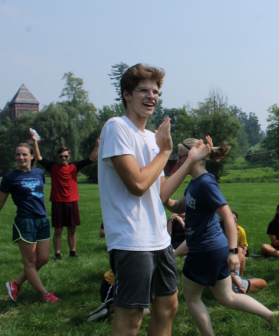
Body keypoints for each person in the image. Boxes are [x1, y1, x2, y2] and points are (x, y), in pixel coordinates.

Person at [160, 136, 279, 336]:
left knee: (192, 297)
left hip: (206, 250)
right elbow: (179, 205)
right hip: (211, 249)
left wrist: (233, 251)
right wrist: (163, 197)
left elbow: (228, 217)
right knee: (227, 296)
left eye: (180, 155)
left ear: (191, 156)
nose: (178, 160)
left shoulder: (205, 183)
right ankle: (272, 317)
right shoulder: (194, 182)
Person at [97, 63, 177, 336]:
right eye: (143, 90)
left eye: (155, 91)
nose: (151, 96)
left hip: (159, 238)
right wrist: (165, 153)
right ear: (126, 95)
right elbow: (138, 185)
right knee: (131, 317)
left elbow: (160, 193)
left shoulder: (153, 140)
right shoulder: (116, 127)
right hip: (131, 239)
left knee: (168, 308)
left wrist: (190, 161)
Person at [1, 142, 61, 303]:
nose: (21, 157)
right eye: (18, 154)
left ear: (32, 156)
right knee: (30, 262)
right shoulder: (9, 178)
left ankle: (15, 284)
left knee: (43, 259)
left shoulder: (38, 173)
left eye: (24, 154)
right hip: (25, 221)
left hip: (42, 220)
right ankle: (44, 294)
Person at [30, 130, 100, 259]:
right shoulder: (53, 167)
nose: (64, 158)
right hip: (58, 202)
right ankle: (57, 254)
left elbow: (91, 159)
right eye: (61, 156)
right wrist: (35, 141)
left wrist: (97, 145)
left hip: (72, 202)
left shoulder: (74, 166)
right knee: (58, 230)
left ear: (69, 156)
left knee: (72, 229)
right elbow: (39, 157)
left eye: (66, 156)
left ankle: (72, 252)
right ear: (58, 157)